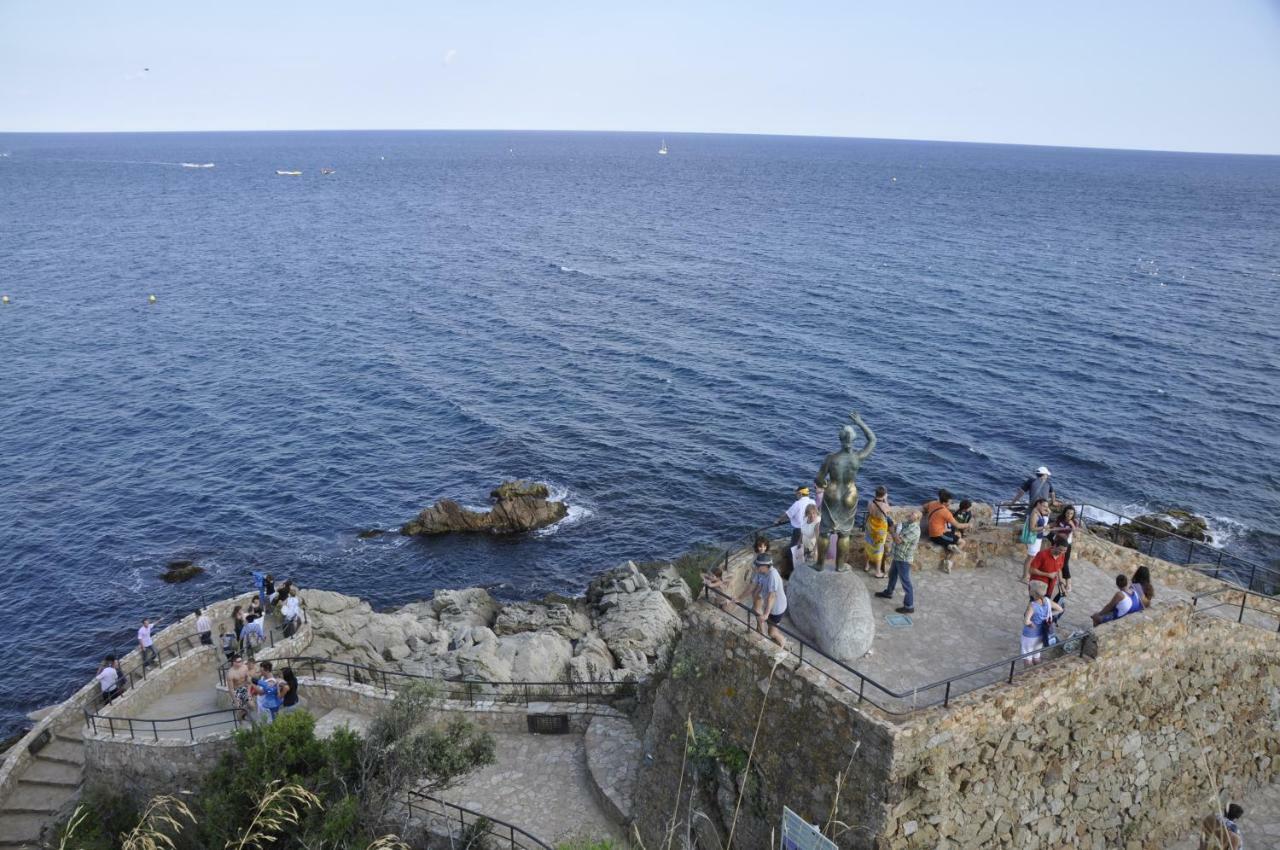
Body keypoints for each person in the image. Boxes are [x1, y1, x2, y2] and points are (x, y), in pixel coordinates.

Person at [875, 509, 921, 614]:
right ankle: (889, 592)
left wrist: (891, 530)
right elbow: (898, 526)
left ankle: (909, 606)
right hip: (897, 556)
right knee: (892, 574)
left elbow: (898, 540)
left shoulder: (915, 530)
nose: (911, 513)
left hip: (904, 559)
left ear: (917, 519)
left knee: (906, 582)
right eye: (912, 512)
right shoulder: (907, 523)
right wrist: (891, 522)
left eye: (913, 513)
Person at [921, 490, 969, 573]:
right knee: (962, 542)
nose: (951, 503)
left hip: (933, 533)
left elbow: (924, 506)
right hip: (938, 536)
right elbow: (957, 525)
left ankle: (950, 546)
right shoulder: (945, 512)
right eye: (950, 502)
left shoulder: (933, 503)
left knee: (957, 534)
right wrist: (968, 525)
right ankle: (949, 561)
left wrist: (927, 512)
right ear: (944, 502)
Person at [750, 554, 788, 649]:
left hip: (777, 609)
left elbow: (772, 596)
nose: (756, 567)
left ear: (765, 566)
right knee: (771, 628)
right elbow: (758, 586)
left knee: (772, 632)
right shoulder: (763, 573)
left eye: (758, 565)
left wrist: (766, 614)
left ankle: (783, 644)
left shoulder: (773, 576)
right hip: (771, 607)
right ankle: (778, 642)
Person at [1021, 582, 1062, 665]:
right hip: (1042, 633)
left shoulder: (1032, 605)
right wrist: (1048, 616)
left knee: (1027, 657)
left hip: (1030, 635)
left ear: (1033, 592)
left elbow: (1026, 621)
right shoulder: (1047, 600)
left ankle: (1029, 674)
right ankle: (1037, 671)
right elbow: (1060, 609)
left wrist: (1030, 624)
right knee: (1036, 655)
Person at [863, 486, 892, 579]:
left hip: (870, 526)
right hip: (880, 530)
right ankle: (878, 571)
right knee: (879, 549)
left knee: (868, 545)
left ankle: (866, 565)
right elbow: (888, 512)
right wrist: (886, 499)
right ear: (884, 495)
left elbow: (869, 512)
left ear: (875, 493)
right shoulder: (885, 506)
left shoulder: (870, 503)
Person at [1028, 538, 1068, 605]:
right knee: (1035, 605)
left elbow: (1059, 569)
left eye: (1064, 551)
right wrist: (1048, 575)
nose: (1062, 552)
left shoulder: (1062, 556)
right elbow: (1031, 570)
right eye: (1060, 550)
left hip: (1050, 586)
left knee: (1043, 607)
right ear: (1055, 546)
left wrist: (1061, 584)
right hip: (1038, 584)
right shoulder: (1042, 554)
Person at [1020, 499, 1053, 581]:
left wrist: (1046, 508)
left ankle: (1026, 575)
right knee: (1030, 558)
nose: (1045, 508)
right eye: (1043, 506)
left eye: (1046, 506)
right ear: (1038, 504)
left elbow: (1049, 512)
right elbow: (1032, 528)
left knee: (1032, 557)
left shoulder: (1039, 512)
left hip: (1038, 538)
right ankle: (1024, 577)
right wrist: (1044, 527)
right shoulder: (1035, 514)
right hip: (1034, 538)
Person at [226, 654, 252, 722]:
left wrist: (249, 692)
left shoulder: (245, 667)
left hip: (245, 687)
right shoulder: (230, 674)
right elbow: (231, 689)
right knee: (240, 709)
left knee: (251, 704)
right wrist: (235, 700)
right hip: (236, 691)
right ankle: (240, 723)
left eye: (241, 660)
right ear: (234, 662)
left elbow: (248, 680)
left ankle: (249, 718)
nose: (241, 662)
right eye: (239, 661)